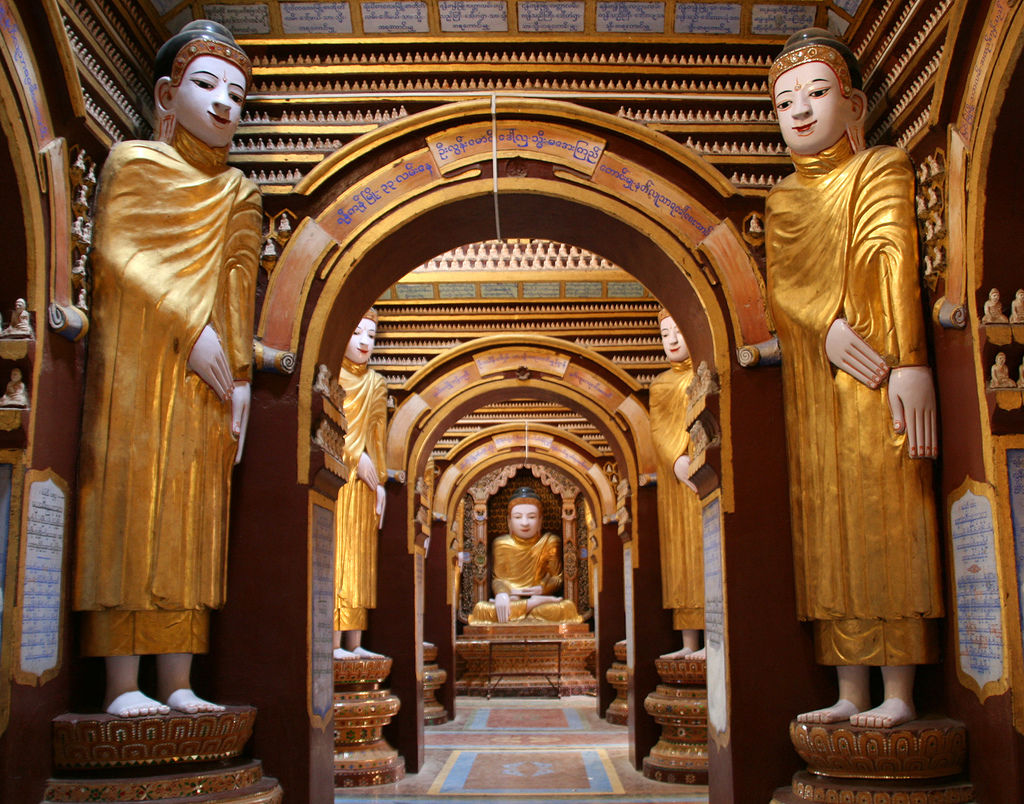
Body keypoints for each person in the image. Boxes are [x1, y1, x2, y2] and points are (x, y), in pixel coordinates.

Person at [73, 20, 259, 718]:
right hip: (139, 362)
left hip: (207, 383)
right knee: (129, 502)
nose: (223, 103)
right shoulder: (134, 163)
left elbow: (238, 285)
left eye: (237, 94)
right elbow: (116, 256)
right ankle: (122, 685)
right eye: (206, 84)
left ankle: (178, 678)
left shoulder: (238, 192)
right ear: (165, 94)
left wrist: (240, 375)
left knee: (193, 516)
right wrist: (188, 328)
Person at [766, 29, 943, 729]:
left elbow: (892, 256)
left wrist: (912, 360)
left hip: (879, 372)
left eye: (816, 92)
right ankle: (849, 687)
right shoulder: (782, 201)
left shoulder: (881, 167)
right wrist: (823, 327)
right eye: (785, 102)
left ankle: (898, 690)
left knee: (888, 513)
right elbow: (782, 292)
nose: (801, 110)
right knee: (827, 525)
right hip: (817, 383)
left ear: (855, 103)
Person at [649, 310, 704, 659]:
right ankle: (689, 643)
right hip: (676, 477)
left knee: (705, 545)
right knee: (680, 555)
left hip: (703, 467)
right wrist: (675, 460)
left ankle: (716, 636)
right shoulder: (660, 385)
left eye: (678, 331)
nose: (671, 339)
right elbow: (657, 430)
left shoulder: (704, 372)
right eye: (664, 333)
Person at [334, 310, 387, 660]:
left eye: (371, 335)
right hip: (336, 473)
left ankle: (353, 641)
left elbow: (378, 437)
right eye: (356, 332)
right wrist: (354, 455)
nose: (365, 341)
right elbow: (320, 419)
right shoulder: (331, 373)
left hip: (365, 482)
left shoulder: (376, 384)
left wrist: (380, 481)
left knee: (359, 556)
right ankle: (332, 642)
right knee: (336, 551)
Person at [468, 487, 581, 624]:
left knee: (566, 608)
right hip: (511, 598)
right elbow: (498, 580)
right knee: (481, 610)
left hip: (541, 600)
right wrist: (502, 594)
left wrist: (542, 589)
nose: (525, 522)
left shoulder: (550, 541)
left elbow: (556, 578)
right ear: (509, 521)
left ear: (540, 520)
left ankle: (532, 604)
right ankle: (532, 604)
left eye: (532, 517)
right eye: (517, 517)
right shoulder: (501, 544)